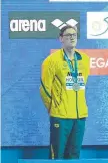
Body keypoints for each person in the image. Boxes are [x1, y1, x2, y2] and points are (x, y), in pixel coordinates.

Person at [39, 25, 90, 159]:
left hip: (80, 117)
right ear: (61, 39)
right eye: (68, 35)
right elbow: (44, 89)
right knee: (57, 155)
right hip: (60, 116)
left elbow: (82, 84)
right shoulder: (51, 61)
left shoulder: (84, 59)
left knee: (74, 155)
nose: (72, 37)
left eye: (74, 34)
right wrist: (53, 108)